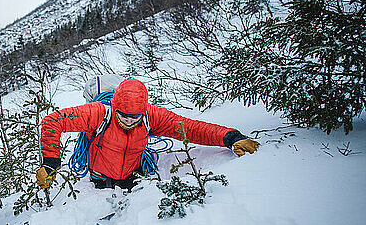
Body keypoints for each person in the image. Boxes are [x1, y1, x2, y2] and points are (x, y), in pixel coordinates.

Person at [36, 79, 259, 190]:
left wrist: (231, 137)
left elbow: (189, 128)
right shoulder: (98, 114)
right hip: (100, 175)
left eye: (136, 117)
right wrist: (51, 163)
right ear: (116, 107)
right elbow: (52, 122)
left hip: (134, 171)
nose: (131, 122)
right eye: (124, 116)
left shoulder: (151, 116)